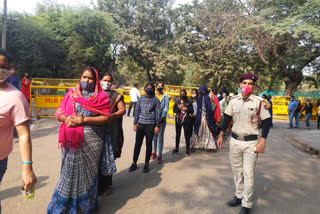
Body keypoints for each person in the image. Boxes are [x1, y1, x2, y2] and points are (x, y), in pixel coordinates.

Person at [47, 67, 116, 213]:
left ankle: (85, 207)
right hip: (71, 141)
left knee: (88, 174)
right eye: (84, 77)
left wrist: (82, 120)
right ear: (80, 77)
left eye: (90, 78)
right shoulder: (72, 94)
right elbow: (59, 111)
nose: (87, 80)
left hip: (92, 140)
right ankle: (63, 207)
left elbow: (106, 117)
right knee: (68, 173)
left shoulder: (101, 97)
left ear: (96, 80)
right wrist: (66, 118)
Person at [217, 73, 271, 214]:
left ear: (253, 87)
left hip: (251, 143)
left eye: (250, 84)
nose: (247, 86)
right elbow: (227, 118)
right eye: (245, 83)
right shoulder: (233, 100)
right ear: (240, 85)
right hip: (234, 141)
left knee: (248, 174)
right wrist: (221, 134)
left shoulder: (258, 102)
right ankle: (239, 196)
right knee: (237, 172)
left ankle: (246, 205)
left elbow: (266, 122)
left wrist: (263, 139)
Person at [0, 50, 37, 213]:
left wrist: (27, 168)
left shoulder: (15, 97)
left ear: (8, 68)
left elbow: (23, 135)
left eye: (2, 66)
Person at [99, 72, 126, 196]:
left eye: (109, 81)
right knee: (96, 158)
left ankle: (105, 186)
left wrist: (113, 115)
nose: (107, 83)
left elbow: (122, 110)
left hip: (111, 132)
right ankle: (96, 185)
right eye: (105, 80)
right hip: (96, 131)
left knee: (107, 158)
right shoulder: (95, 93)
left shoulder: (116, 95)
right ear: (100, 80)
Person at [129, 83, 161, 173]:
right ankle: (134, 163)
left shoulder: (156, 100)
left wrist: (157, 126)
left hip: (150, 125)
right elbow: (137, 111)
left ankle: (146, 164)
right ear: (144, 89)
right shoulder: (141, 99)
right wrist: (135, 123)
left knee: (149, 144)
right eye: (147, 88)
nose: (149, 89)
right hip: (141, 125)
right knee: (137, 144)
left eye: (151, 88)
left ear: (153, 89)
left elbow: (158, 113)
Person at [190, 85, 217, 151]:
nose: (200, 91)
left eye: (201, 90)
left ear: (204, 91)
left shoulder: (206, 98)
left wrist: (208, 119)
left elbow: (209, 109)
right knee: (197, 131)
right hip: (199, 117)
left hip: (204, 117)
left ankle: (211, 146)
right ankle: (194, 145)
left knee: (206, 131)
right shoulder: (200, 98)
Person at [151, 81, 169, 164]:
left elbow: (166, 108)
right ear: (156, 86)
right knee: (154, 137)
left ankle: (160, 155)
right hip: (153, 119)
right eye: (158, 86)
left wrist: (162, 116)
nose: (160, 87)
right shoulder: (153, 95)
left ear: (163, 88)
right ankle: (154, 152)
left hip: (162, 120)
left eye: (161, 86)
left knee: (160, 138)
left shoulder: (165, 97)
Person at [172, 89, 194, 156]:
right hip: (178, 119)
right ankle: (176, 148)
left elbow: (192, 111)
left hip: (186, 120)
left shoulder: (189, 102)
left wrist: (187, 109)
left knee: (186, 135)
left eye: (183, 94)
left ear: (185, 94)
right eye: (181, 94)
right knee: (177, 134)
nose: (182, 95)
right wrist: (179, 108)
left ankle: (187, 150)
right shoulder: (177, 102)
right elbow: (174, 110)